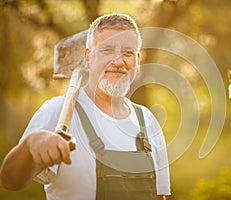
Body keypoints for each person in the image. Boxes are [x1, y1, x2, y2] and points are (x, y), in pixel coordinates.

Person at [0, 13, 171, 200]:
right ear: (88, 58)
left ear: (137, 61)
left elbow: (160, 196)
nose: (118, 61)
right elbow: (10, 181)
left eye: (128, 53)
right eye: (107, 50)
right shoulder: (56, 111)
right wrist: (29, 145)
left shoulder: (147, 121)